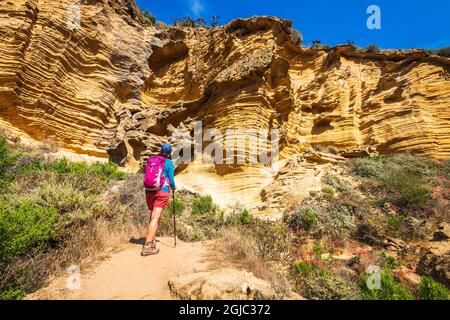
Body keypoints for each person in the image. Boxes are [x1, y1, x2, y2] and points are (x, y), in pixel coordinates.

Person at [141, 143, 175, 256]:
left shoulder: (152, 160)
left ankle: (152, 240)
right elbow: (171, 180)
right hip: (162, 191)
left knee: (152, 216)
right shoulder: (169, 162)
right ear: (170, 153)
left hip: (149, 190)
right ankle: (148, 245)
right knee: (156, 217)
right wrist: (173, 187)